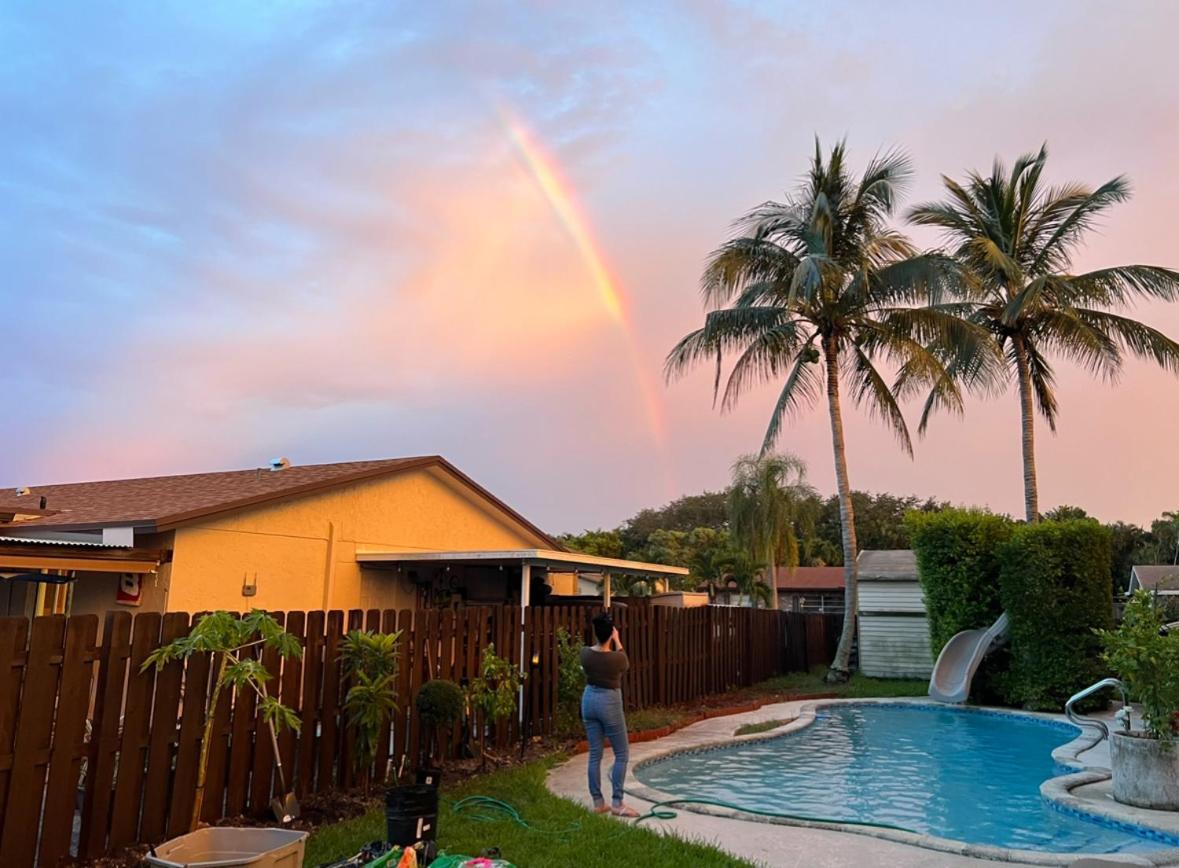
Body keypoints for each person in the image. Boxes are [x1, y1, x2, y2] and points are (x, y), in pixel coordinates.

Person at [580, 611, 638, 817]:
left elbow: (592, 658)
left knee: (595, 753)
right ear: (611, 633)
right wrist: (618, 640)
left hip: (588, 701)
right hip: (608, 702)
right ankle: (617, 803)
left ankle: (598, 803)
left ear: (596, 632)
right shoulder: (617, 658)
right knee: (621, 753)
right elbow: (625, 661)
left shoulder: (585, 653)